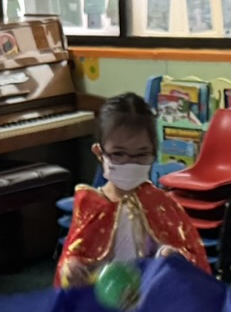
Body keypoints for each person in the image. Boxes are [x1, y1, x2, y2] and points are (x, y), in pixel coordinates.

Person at [55, 93, 209, 289]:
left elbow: (189, 256)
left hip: (150, 298)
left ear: (154, 153)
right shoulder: (91, 205)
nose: (130, 163)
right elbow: (73, 258)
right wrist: (73, 268)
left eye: (141, 154)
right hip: (102, 300)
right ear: (99, 153)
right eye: (118, 154)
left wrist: (171, 255)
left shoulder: (162, 204)